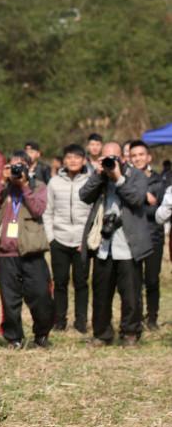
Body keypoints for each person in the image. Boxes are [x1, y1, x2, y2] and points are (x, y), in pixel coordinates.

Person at [80, 141, 152, 346]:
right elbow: (83, 196)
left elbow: (137, 199)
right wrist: (99, 175)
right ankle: (102, 334)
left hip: (128, 245)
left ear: (123, 156)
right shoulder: (100, 176)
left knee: (130, 294)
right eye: (106, 157)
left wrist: (118, 178)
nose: (111, 160)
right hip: (104, 245)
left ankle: (130, 333)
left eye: (115, 156)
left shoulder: (136, 175)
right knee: (101, 293)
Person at [0, 151, 52, 349]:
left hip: (32, 251)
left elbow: (38, 209)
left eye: (20, 166)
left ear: (29, 168)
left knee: (40, 296)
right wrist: (1, 183)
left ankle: (41, 335)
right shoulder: (4, 188)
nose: (16, 170)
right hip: (7, 254)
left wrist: (23, 186)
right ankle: (14, 338)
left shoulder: (38, 186)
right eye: (12, 166)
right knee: (9, 299)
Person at [44, 144, 93, 333]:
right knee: (60, 282)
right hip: (60, 239)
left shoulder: (91, 181)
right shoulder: (54, 182)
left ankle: (81, 322)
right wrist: (51, 238)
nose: (73, 161)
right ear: (63, 160)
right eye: (69, 157)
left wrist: (87, 240)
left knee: (81, 282)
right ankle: (59, 320)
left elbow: (93, 214)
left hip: (82, 241)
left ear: (84, 160)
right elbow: (48, 212)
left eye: (77, 157)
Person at [128, 140, 167, 331]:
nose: (138, 159)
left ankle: (152, 318)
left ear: (149, 157)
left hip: (154, 237)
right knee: (134, 282)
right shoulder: (125, 180)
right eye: (134, 156)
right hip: (132, 237)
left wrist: (139, 205)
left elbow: (161, 211)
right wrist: (143, 199)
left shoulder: (159, 181)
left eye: (141, 155)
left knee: (152, 280)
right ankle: (136, 317)